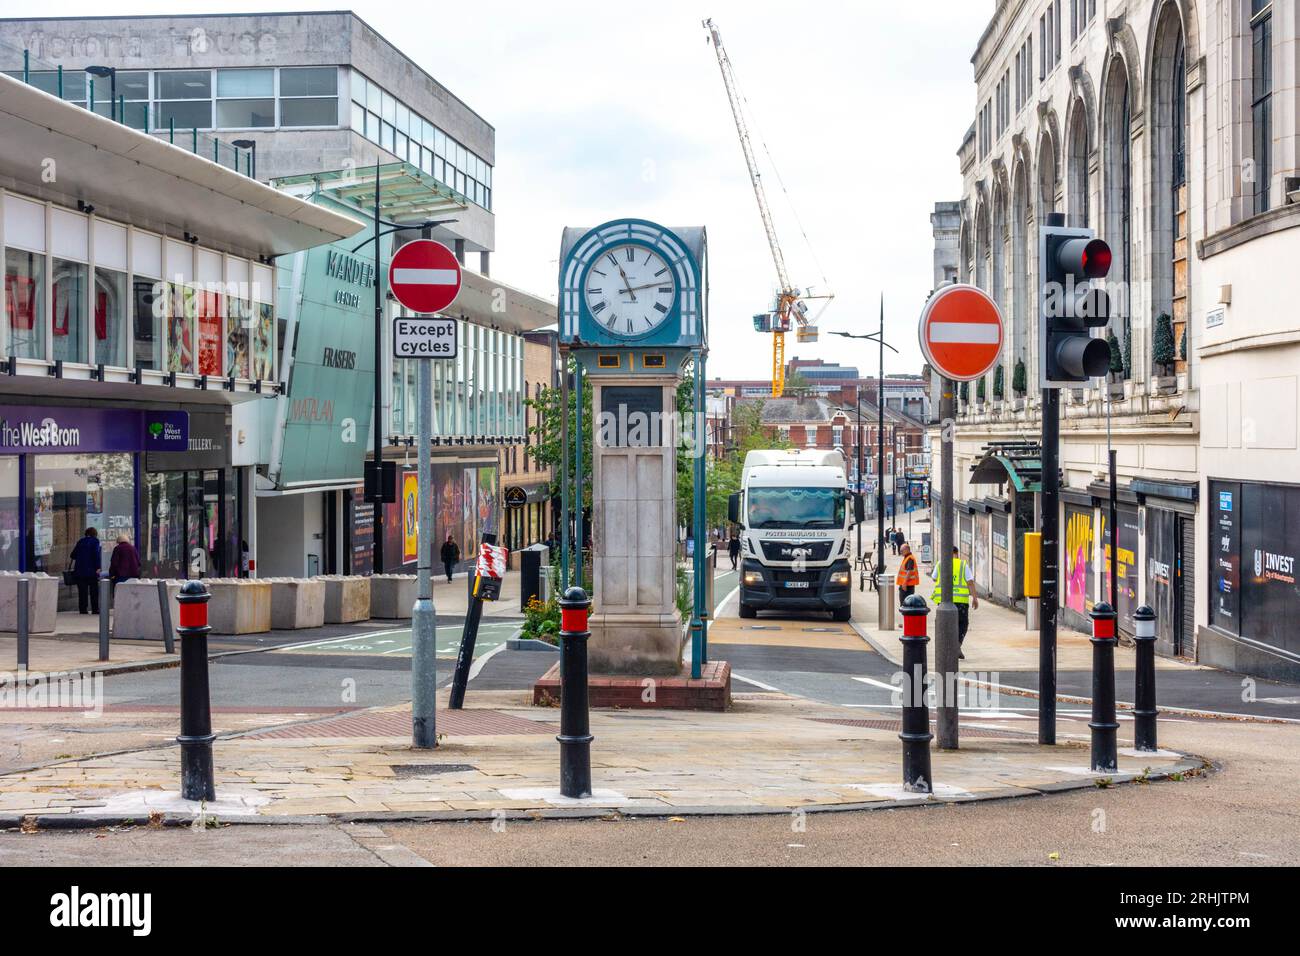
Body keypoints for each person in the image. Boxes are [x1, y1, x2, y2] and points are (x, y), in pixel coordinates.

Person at [930, 545, 977, 659]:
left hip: (944, 600)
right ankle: (957, 645)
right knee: (962, 624)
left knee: (945, 625)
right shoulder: (962, 564)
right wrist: (975, 598)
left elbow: (934, 578)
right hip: (960, 601)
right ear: (956, 553)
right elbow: (970, 582)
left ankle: (948, 648)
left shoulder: (941, 564)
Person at [69, 527, 102, 614]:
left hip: (80, 571)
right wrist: (98, 567)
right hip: (91, 571)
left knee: (82, 592)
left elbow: (72, 555)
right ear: (94, 534)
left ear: (86, 533)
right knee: (94, 591)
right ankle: (95, 609)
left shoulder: (80, 541)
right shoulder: (95, 541)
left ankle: (83, 609)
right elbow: (96, 554)